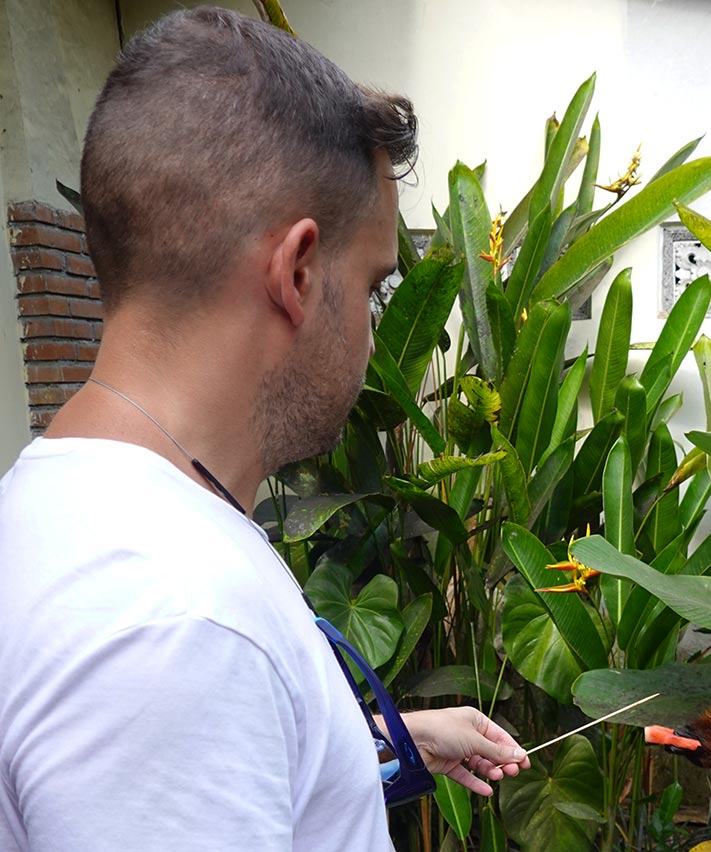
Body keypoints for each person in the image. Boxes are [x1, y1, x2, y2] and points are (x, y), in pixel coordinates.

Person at [0, 7, 528, 850]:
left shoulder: (67, 509)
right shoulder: (177, 627)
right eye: (373, 287)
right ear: (298, 270)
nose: (369, 328)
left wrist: (370, 748)